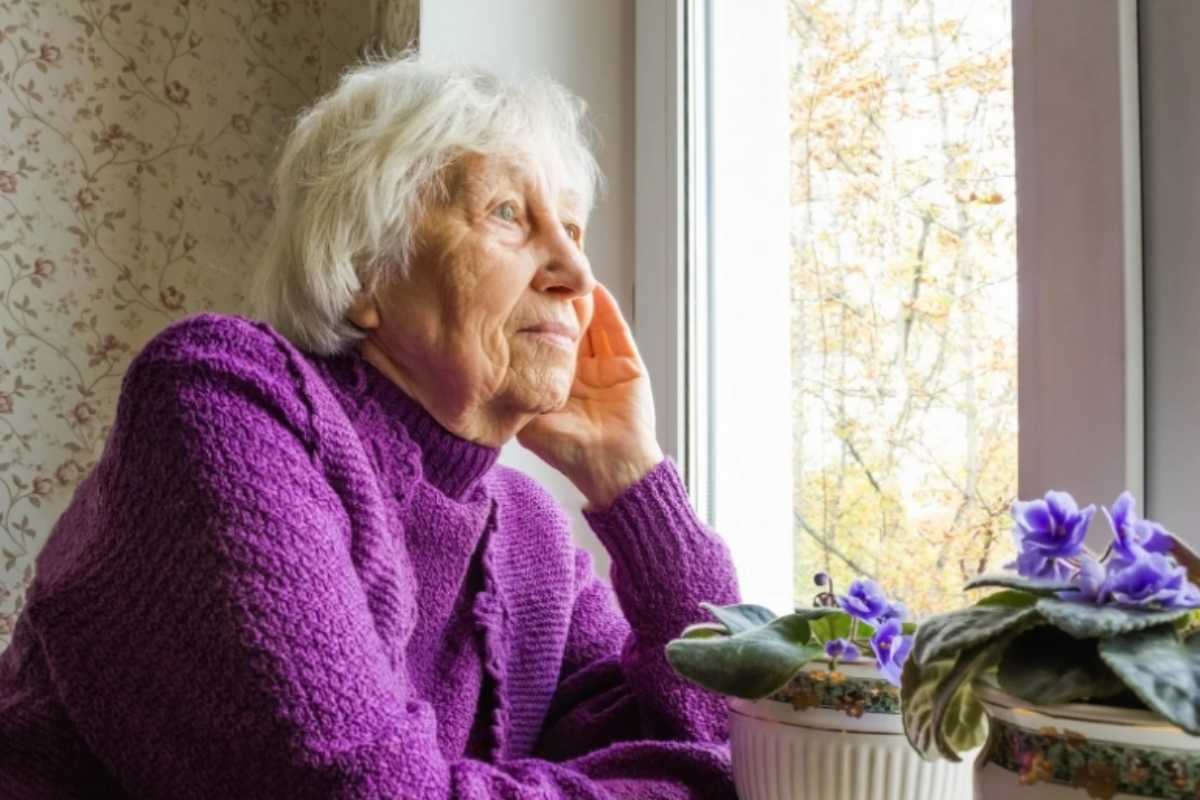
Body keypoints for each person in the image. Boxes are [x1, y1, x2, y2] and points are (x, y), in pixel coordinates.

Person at [0, 55, 741, 799]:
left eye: (573, 228)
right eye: (509, 214)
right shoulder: (225, 399)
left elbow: (727, 737)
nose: (577, 273)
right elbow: (365, 789)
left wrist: (634, 480)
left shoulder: (528, 536)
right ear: (365, 267)